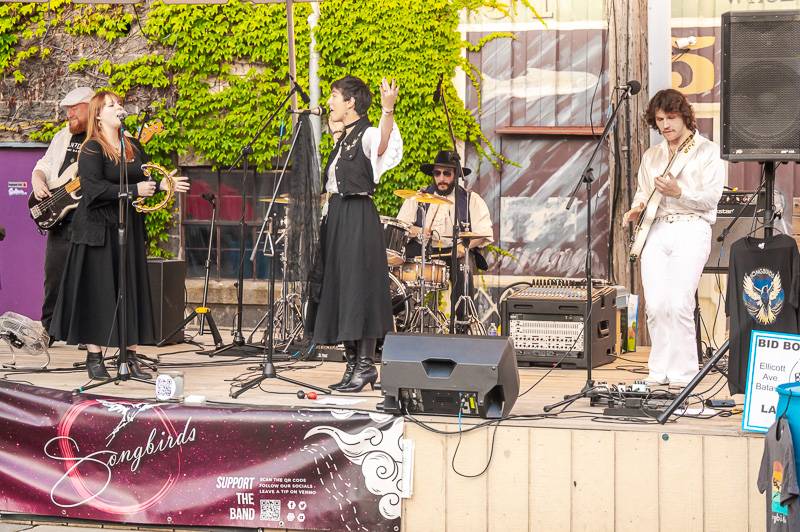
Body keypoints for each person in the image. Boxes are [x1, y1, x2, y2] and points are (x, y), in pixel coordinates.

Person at [48, 91, 190, 380]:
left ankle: (131, 355)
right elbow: (93, 190)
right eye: (111, 105)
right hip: (97, 229)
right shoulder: (91, 149)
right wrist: (133, 191)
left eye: (118, 104)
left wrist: (162, 184)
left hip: (128, 226)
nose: (118, 108)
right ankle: (94, 355)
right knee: (98, 292)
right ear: (98, 115)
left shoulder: (133, 145)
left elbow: (144, 177)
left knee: (131, 287)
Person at [623, 88, 725, 386]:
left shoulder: (707, 151)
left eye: (670, 117)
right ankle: (659, 371)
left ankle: (683, 375)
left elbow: (711, 198)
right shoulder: (652, 155)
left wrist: (679, 192)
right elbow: (643, 192)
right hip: (656, 228)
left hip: (692, 227)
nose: (665, 125)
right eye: (659, 119)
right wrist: (636, 209)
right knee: (655, 305)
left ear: (684, 116)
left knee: (679, 303)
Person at [313, 76, 402, 393]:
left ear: (351, 102)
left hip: (357, 216)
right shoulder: (344, 137)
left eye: (335, 95)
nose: (330, 101)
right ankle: (353, 364)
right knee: (340, 288)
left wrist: (387, 109)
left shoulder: (366, 133)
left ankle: (365, 365)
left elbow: (381, 144)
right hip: (337, 216)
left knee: (358, 288)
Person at [396, 150, 493, 329]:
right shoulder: (419, 197)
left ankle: (461, 325)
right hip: (424, 251)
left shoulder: (471, 199)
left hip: (455, 252)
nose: (441, 178)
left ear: (456, 175)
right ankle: (403, 323)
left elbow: (484, 233)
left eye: (446, 173)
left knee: (464, 268)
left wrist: (465, 247)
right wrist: (418, 230)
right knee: (400, 269)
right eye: (437, 173)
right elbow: (402, 226)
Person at [31, 86, 94, 342]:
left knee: (90, 277)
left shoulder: (102, 139)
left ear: (90, 107)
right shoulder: (62, 136)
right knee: (54, 276)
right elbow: (44, 164)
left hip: (89, 217)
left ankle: (90, 335)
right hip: (59, 216)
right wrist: (37, 178)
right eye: (67, 109)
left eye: (74, 109)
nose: (69, 114)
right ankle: (49, 330)